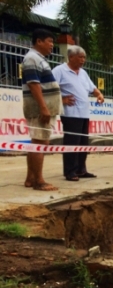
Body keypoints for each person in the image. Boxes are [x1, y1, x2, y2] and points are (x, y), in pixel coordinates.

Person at [52, 45, 104, 181]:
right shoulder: (59, 71)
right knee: (72, 143)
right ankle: (70, 171)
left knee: (83, 143)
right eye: (80, 57)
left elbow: (93, 88)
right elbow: (48, 89)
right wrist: (62, 99)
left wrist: (99, 94)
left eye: (84, 57)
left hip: (84, 114)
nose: (83, 60)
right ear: (71, 57)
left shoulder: (83, 73)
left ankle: (81, 169)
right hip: (70, 114)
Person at [22, 29, 61, 191]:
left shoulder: (39, 59)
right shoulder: (32, 58)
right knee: (40, 142)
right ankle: (39, 181)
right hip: (40, 109)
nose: (52, 45)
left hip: (42, 108)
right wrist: (43, 107)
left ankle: (31, 178)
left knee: (36, 141)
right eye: (49, 41)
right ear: (39, 41)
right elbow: (33, 84)